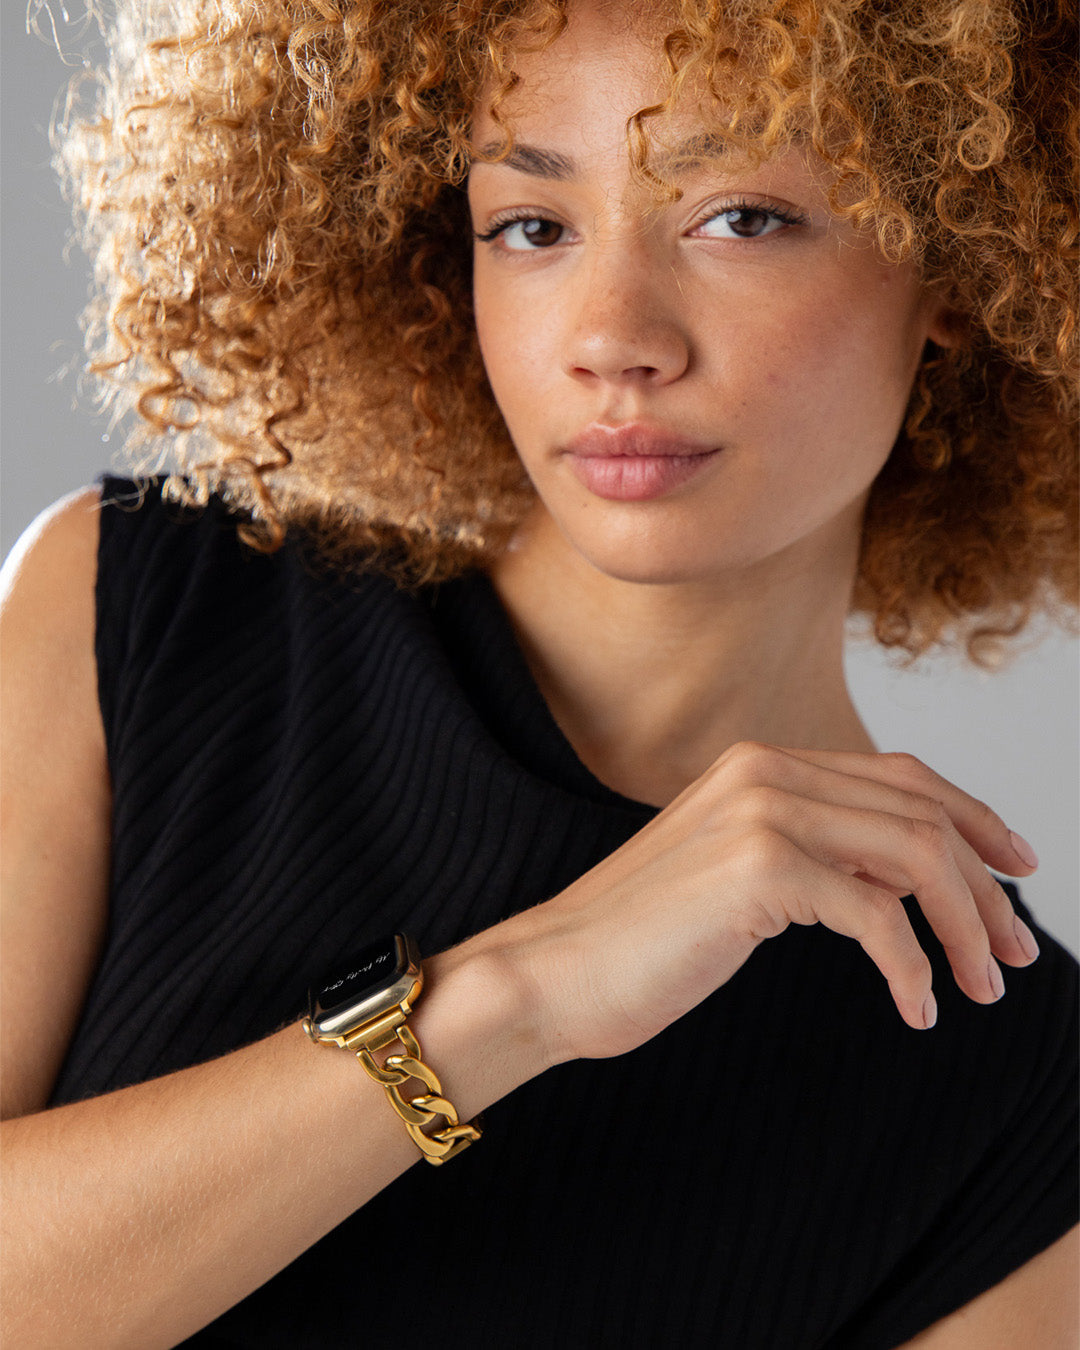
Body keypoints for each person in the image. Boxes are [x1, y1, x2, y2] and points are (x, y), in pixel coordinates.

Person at [2, 0, 1077, 1345]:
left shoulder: (1001, 1072)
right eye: (531, 227)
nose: (612, 336)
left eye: (741, 218)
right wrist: (519, 998)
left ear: (965, 267)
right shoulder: (144, 612)